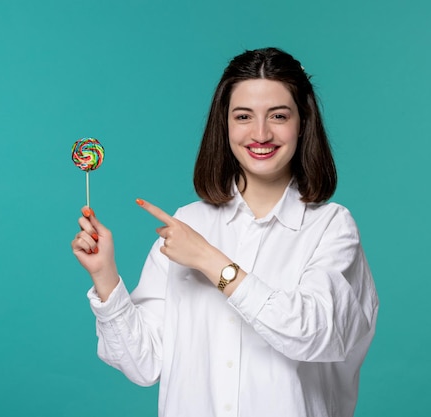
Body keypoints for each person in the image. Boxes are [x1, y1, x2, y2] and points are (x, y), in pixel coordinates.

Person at [71, 47, 378, 417]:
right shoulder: (188, 223)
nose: (260, 133)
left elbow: (315, 334)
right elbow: (143, 363)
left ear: (302, 123)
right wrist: (105, 276)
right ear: (226, 125)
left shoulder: (330, 227)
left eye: (278, 116)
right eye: (243, 116)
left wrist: (207, 259)